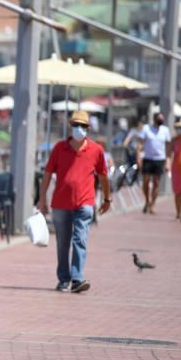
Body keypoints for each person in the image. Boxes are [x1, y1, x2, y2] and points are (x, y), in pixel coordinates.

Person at [38, 111, 111, 294]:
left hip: (84, 203)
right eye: (76, 125)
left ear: (88, 128)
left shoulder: (96, 150)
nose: (80, 129)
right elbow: (47, 174)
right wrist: (42, 200)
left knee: (80, 240)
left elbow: (103, 176)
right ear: (71, 127)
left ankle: (77, 278)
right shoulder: (59, 148)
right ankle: (63, 279)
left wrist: (107, 199)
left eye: (83, 126)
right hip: (61, 204)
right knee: (63, 243)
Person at [138, 113, 172, 215]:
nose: (160, 120)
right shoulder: (146, 128)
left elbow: (168, 147)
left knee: (156, 183)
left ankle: (152, 205)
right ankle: (147, 201)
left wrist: (168, 162)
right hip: (147, 158)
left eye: (162, 119)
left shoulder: (165, 130)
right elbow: (140, 144)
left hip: (159, 159)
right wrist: (138, 157)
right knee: (146, 182)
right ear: (154, 119)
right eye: (159, 118)